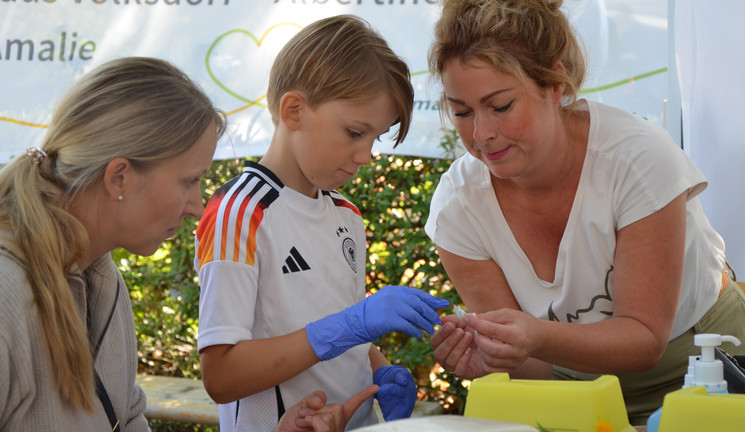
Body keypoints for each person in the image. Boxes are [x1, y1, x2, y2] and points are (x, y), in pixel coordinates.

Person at [424, 0, 745, 425]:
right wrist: (495, 359)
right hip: (570, 376)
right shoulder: (458, 208)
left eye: (501, 106)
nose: (481, 134)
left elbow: (643, 338)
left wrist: (534, 337)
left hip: (701, 360)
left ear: (556, 84)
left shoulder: (636, 161)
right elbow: (531, 367)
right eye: (462, 112)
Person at [194, 14, 449, 432]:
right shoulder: (239, 212)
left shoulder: (346, 215)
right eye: (354, 132)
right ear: (293, 110)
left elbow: (341, 331)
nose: (367, 155)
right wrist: (353, 323)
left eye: (376, 138)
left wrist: (379, 369)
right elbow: (221, 377)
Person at [0, 57, 225, 431]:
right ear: (119, 177)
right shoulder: (7, 295)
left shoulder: (100, 277)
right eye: (189, 180)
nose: (198, 207)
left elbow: (124, 414)